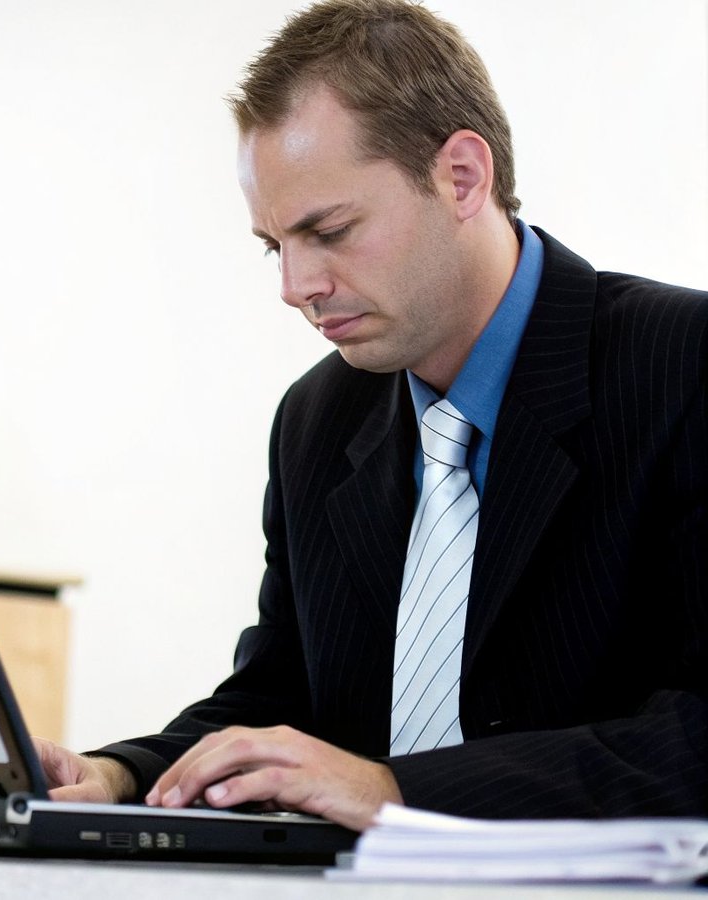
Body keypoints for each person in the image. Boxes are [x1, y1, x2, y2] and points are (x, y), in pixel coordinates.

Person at [37, 0, 707, 831]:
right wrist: (118, 775)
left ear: (462, 176)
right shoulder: (315, 422)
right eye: (273, 245)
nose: (294, 286)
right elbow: (283, 694)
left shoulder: (683, 366)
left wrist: (396, 793)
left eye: (331, 230)